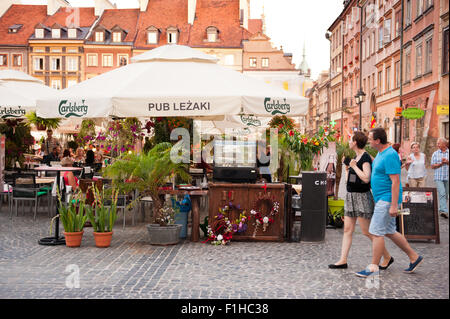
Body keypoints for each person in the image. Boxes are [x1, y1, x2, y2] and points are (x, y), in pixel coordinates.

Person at [356, 127, 423, 278]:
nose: (369, 142)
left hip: (387, 200)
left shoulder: (390, 154)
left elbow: (395, 181)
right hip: (381, 198)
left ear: (378, 140)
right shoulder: (381, 153)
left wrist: (393, 205)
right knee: (389, 231)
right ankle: (414, 257)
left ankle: (373, 267)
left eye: (371, 139)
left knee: (376, 232)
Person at [329, 131, 392, 270]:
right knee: (347, 229)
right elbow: (351, 179)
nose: (349, 142)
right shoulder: (355, 157)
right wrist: (348, 169)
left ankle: (387, 256)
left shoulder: (364, 158)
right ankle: (342, 260)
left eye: (351, 139)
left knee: (367, 232)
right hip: (351, 196)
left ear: (356, 142)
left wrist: (353, 166)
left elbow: (366, 178)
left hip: (362, 197)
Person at [431, 138, 449, 218]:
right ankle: (445, 211)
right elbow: (432, 166)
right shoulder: (435, 153)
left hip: (447, 177)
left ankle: (441, 209)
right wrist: (441, 164)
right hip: (438, 177)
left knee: (446, 195)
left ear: (444, 144)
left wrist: (447, 162)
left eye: (439, 143)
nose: (437, 145)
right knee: (442, 193)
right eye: (437, 143)